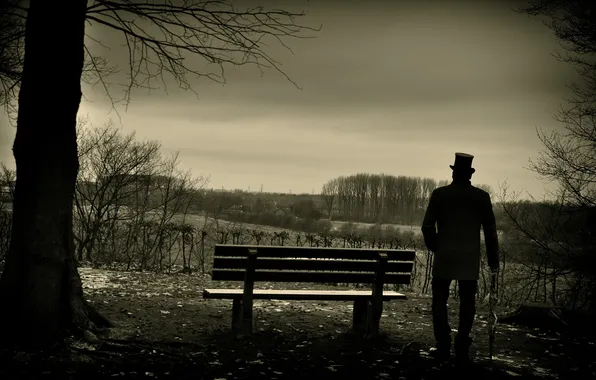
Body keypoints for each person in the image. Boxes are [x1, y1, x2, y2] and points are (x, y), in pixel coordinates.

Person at [421, 152, 499, 363]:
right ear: (470, 174)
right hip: (469, 259)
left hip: (444, 257)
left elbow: (427, 226)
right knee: (467, 303)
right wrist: (494, 262)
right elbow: (490, 233)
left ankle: (443, 344)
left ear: (454, 173)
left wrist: (437, 246)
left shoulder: (439, 194)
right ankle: (462, 345)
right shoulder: (482, 197)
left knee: (439, 301)